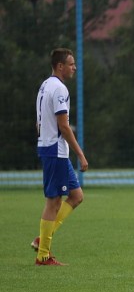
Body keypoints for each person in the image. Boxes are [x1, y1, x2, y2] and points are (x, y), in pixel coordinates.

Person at [31, 48, 89, 266]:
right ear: (60, 66)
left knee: (76, 196)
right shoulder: (59, 89)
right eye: (71, 63)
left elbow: (39, 121)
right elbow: (63, 126)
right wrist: (80, 154)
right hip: (55, 150)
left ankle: (42, 239)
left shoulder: (45, 85)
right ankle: (43, 255)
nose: (74, 67)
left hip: (51, 148)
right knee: (53, 201)